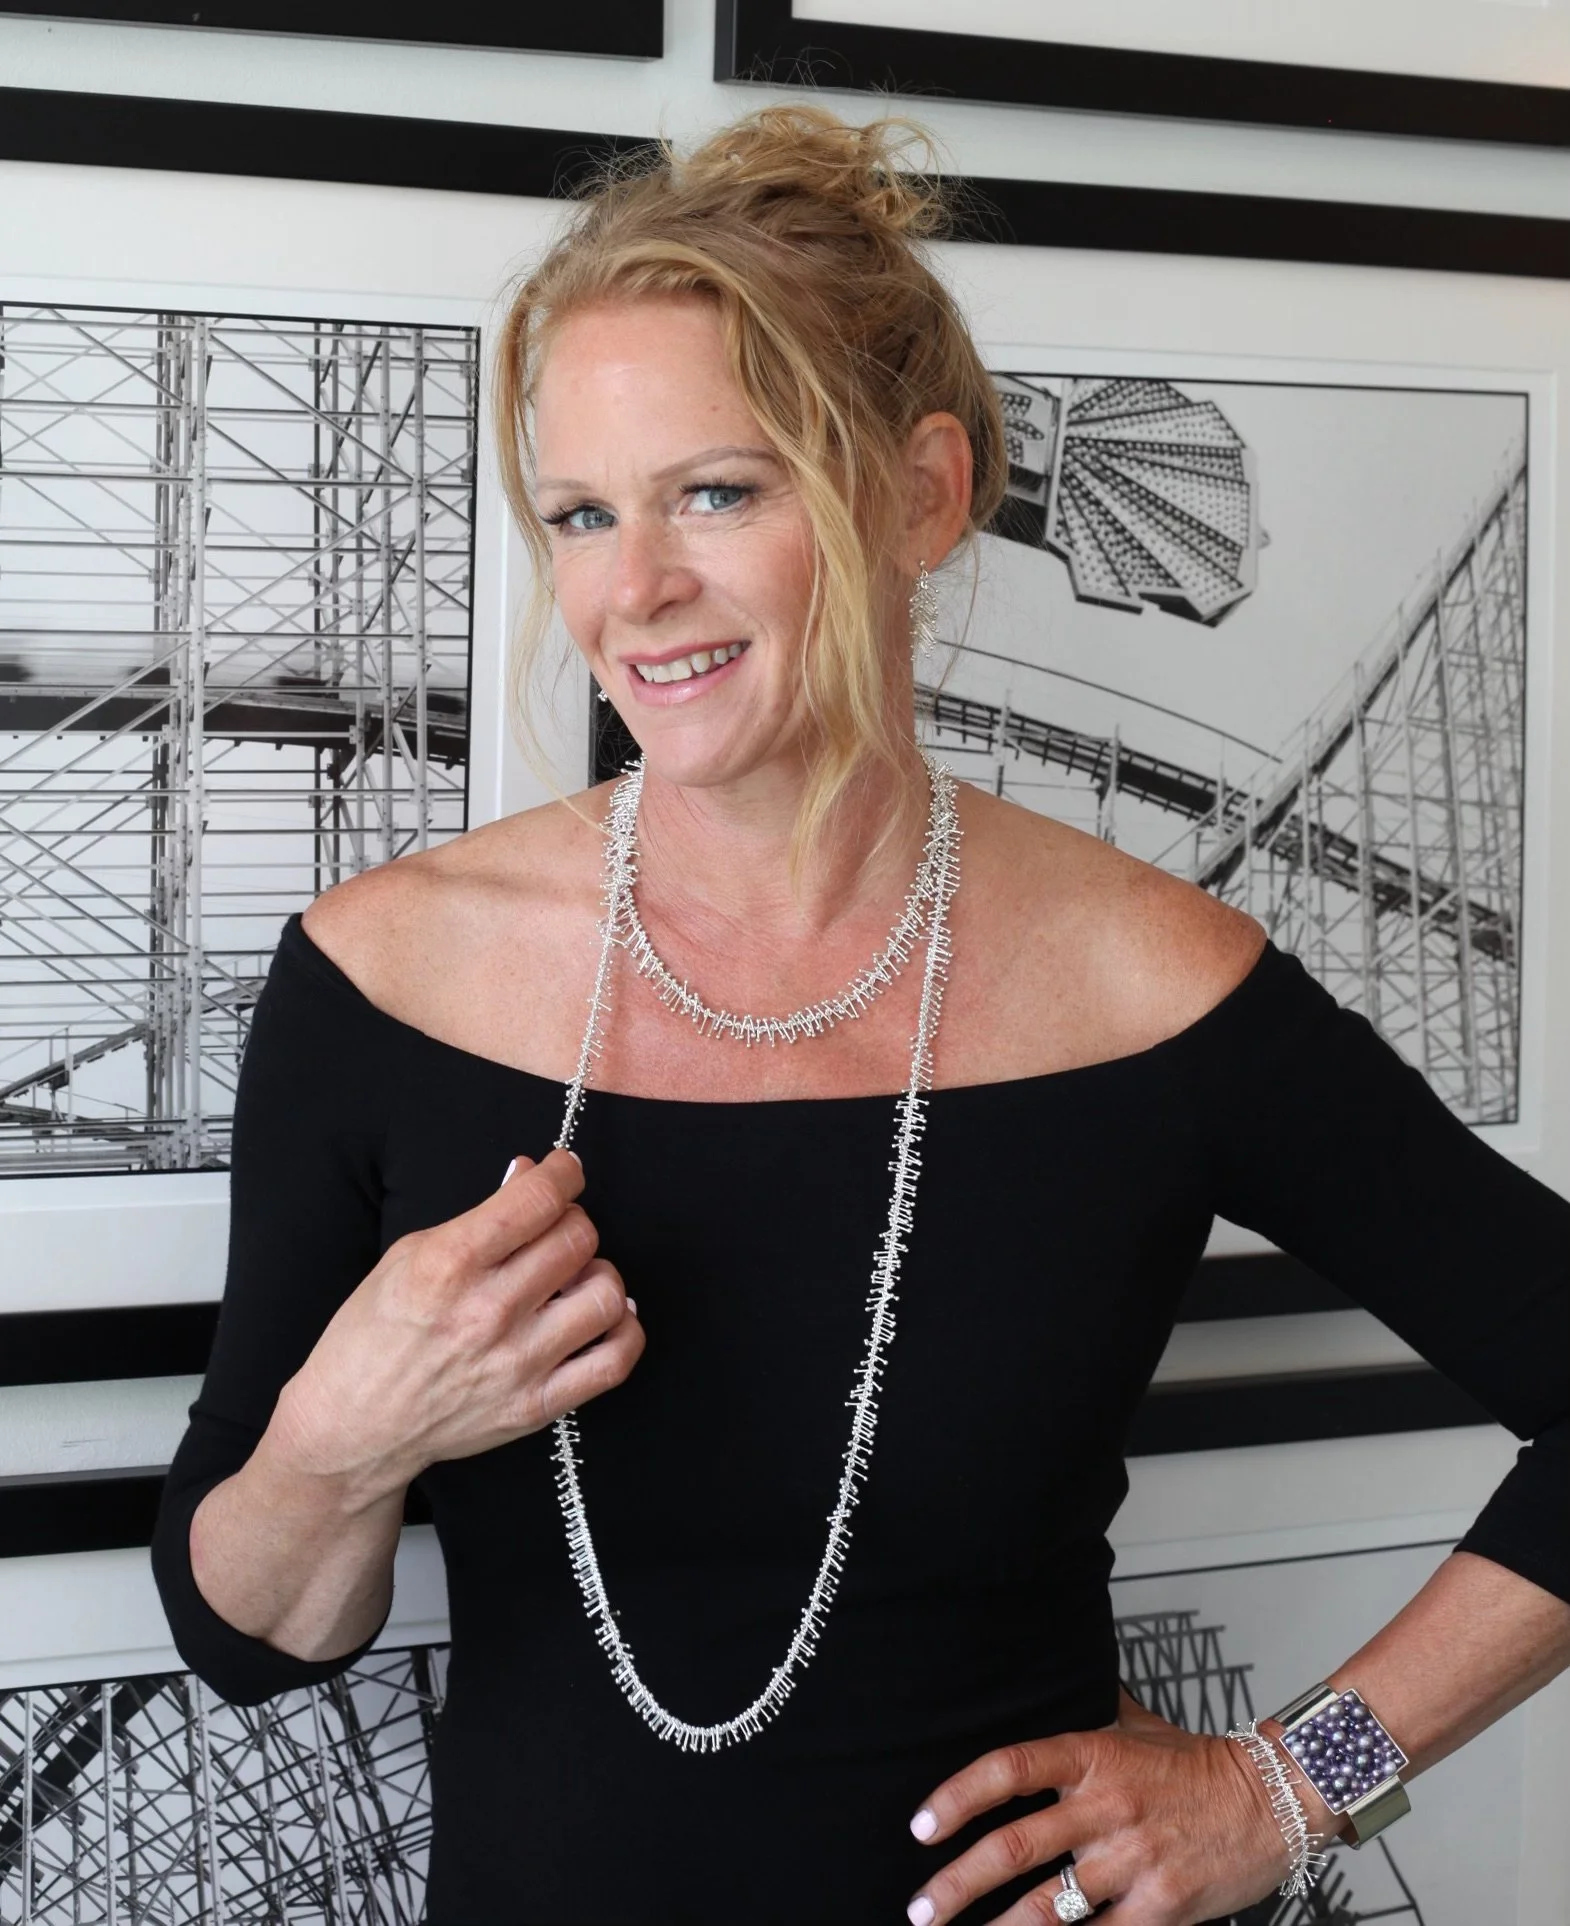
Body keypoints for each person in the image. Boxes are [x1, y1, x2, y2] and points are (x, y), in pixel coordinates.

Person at [150, 103, 1570, 1926]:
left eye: (715, 493)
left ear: (918, 494)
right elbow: (250, 1636)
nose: (631, 590)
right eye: (581, 514)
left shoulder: (1157, 984)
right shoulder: (377, 976)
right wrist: (344, 1432)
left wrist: (1288, 1791)